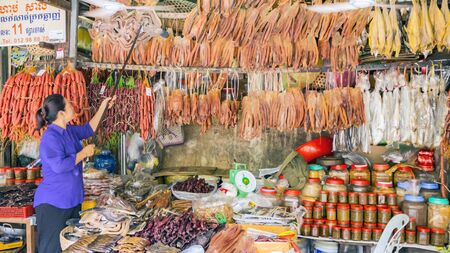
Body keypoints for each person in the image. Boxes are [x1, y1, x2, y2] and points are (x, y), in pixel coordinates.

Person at [34, 94, 116, 253]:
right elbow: (59, 166)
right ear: (61, 114)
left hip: (72, 200)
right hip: (54, 203)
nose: (73, 106)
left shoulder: (69, 131)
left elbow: (89, 128)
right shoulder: (50, 137)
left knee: (71, 247)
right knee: (52, 248)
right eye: (69, 104)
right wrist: (83, 153)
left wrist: (104, 106)